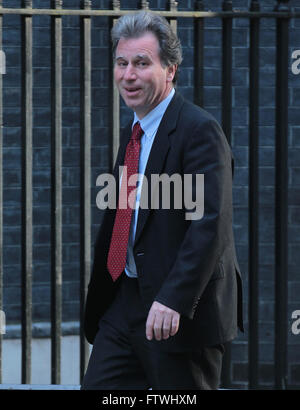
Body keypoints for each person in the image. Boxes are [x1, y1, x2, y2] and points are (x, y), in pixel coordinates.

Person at [81, 10, 243, 390]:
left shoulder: (199, 130)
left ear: (169, 70)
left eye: (141, 63)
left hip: (178, 311)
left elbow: (210, 224)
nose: (129, 75)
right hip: (124, 305)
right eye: (122, 63)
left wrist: (173, 298)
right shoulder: (136, 130)